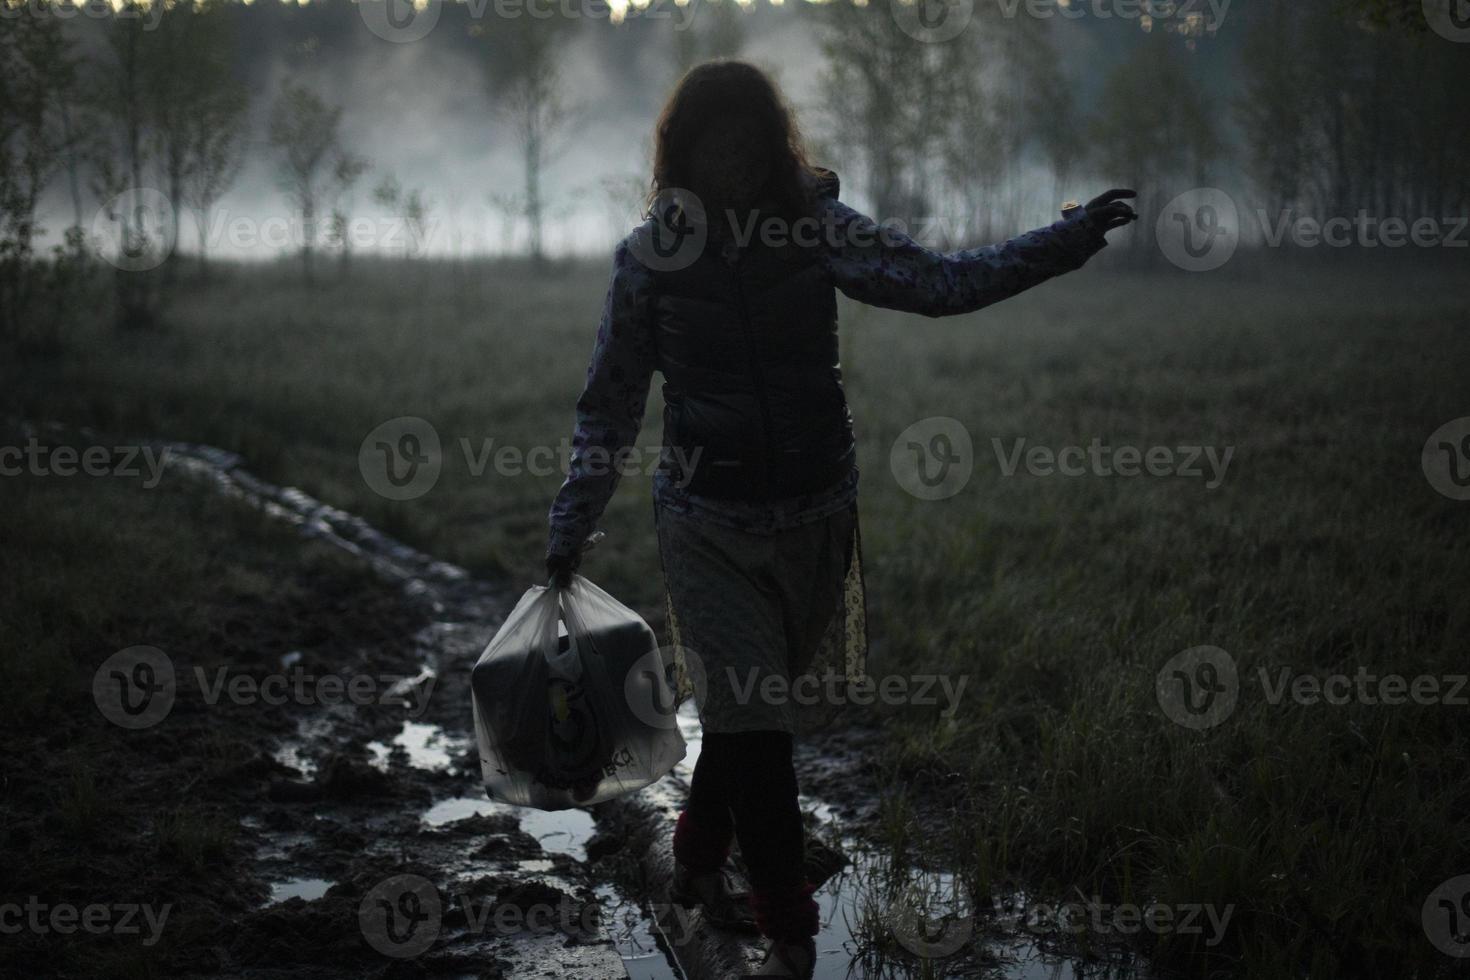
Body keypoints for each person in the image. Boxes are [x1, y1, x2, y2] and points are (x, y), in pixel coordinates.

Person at [545, 59, 1136, 979]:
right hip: (705, 521)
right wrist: (569, 525)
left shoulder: (813, 228)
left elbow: (939, 283)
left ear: (774, 149)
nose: (733, 165)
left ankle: (694, 865)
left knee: (749, 718)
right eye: (715, 146)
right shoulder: (650, 258)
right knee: (756, 729)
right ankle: (791, 939)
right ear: (684, 157)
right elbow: (609, 405)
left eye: (749, 144)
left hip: (815, 512)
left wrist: (1064, 241)